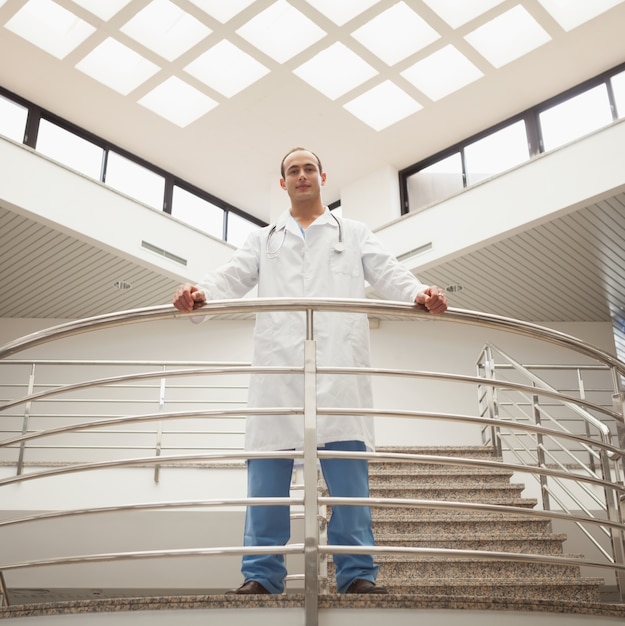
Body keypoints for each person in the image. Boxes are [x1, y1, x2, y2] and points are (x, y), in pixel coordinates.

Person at [172, 147, 448, 595]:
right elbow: (230, 277)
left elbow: (390, 273)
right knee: (265, 488)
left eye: (308, 169)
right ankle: (261, 576)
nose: (301, 175)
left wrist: (419, 294)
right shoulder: (264, 239)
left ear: (323, 176)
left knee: (348, 489)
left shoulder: (354, 233)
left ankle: (356, 573)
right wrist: (197, 294)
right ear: (283, 183)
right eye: (292, 170)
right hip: (277, 379)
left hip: (339, 377)